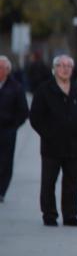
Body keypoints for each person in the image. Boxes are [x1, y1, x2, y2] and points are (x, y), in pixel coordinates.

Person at [29, 54, 77, 227]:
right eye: (61, 66)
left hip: (75, 145)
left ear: (72, 70)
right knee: (49, 182)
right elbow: (35, 117)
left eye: (68, 66)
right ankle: (49, 214)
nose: (65, 69)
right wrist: (47, 134)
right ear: (55, 69)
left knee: (72, 182)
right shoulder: (44, 90)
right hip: (52, 145)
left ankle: (71, 215)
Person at [0, 56, 29, 203]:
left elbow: (24, 111)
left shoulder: (16, 87)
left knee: (5, 161)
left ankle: (1, 190)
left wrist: (13, 126)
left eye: (1, 68)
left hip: (7, 130)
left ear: (7, 70)